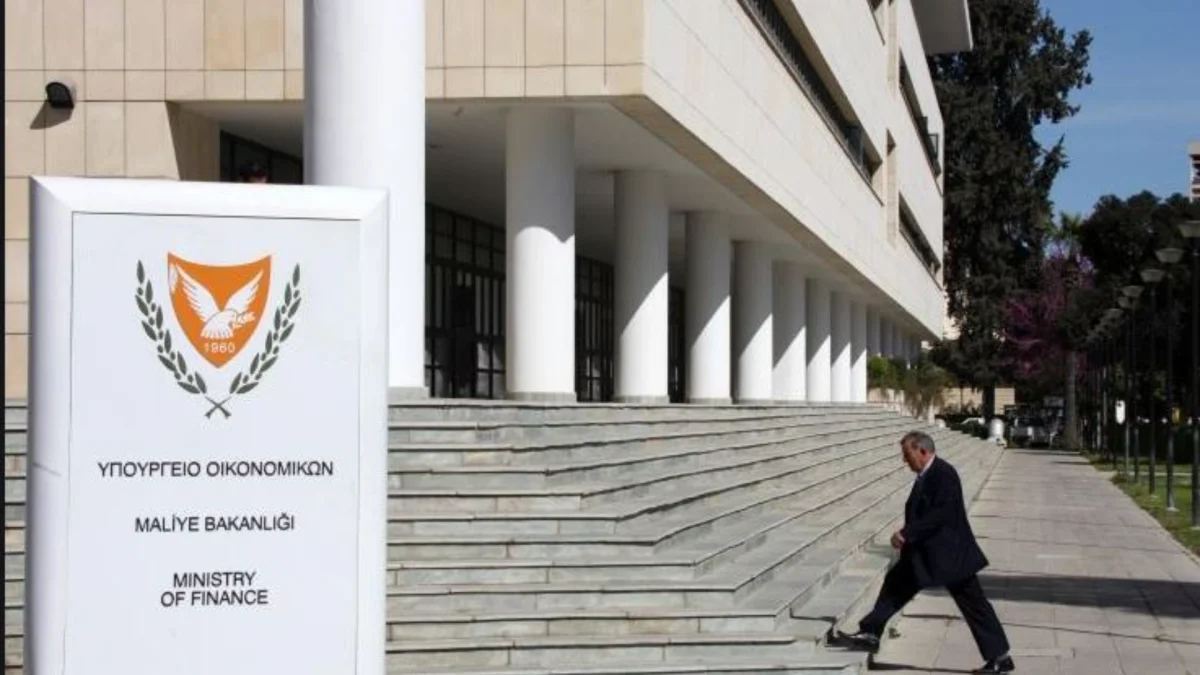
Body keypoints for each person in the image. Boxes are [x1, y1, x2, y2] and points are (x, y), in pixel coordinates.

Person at [832, 431, 1014, 674]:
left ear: (923, 451)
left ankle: (1000, 657)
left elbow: (940, 514)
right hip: (928, 553)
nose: (904, 460)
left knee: (974, 605)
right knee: (895, 583)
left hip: (950, 556)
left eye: (907, 455)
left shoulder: (943, 474)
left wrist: (906, 533)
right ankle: (871, 632)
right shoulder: (928, 473)